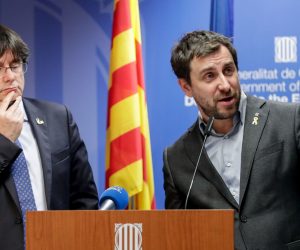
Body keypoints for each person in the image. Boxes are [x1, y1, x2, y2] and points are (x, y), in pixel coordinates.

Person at [163, 30, 300, 250]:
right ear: (186, 87)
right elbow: (179, 236)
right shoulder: (176, 158)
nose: (225, 84)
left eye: (229, 70)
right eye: (210, 76)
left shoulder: (289, 119)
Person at [0, 24, 99, 250]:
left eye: (15, 66)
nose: (10, 76)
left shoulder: (58, 118)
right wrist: (3, 142)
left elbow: (85, 200)